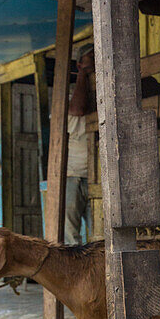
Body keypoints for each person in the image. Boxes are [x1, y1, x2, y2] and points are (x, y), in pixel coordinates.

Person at [65, 43, 94, 245]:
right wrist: (82, 75)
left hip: (95, 178)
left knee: (98, 233)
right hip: (73, 175)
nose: (94, 63)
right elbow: (78, 110)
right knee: (71, 235)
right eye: (90, 59)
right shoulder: (71, 96)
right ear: (79, 64)